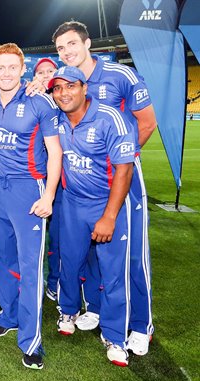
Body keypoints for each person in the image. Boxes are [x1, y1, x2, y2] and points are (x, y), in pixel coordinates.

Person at [53, 21, 156, 356]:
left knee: (131, 257)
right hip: (86, 188)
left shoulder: (118, 75)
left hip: (122, 178)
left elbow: (147, 122)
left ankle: (141, 325)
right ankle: (95, 309)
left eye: (71, 44)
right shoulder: (63, 86)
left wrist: (114, 161)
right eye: (60, 48)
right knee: (90, 252)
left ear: (87, 43)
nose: (67, 51)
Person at [0, 43, 61, 369]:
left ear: (22, 69)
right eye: (0, 67)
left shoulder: (38, 101)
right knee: (2, 259)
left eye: (12, 67)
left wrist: (48, 196)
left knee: (30, 268)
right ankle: (10, 312)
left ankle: (31, 340)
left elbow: (55, 153)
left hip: (29, 190)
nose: (6, 73)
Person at [50, 66, 135, 366]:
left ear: (84, 87)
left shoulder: (110, 117)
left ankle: (115, 336)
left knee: (113, 273)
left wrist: (110, 216)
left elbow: (124, 168)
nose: (63, 93)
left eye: (70, 86)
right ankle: (68, 309)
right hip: (72, 203)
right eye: (57, 89)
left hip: (106, 203)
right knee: (69, 262)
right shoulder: (57, 118)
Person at [33, 57, 60, 301]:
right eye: (40, 72)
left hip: (68, 181)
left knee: (61, 237)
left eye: (50, 71)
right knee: (38, 234)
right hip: (40, 179)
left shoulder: (66, 100)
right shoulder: (33, 100)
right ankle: (41, 280)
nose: (45, 75)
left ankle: (56, 282)